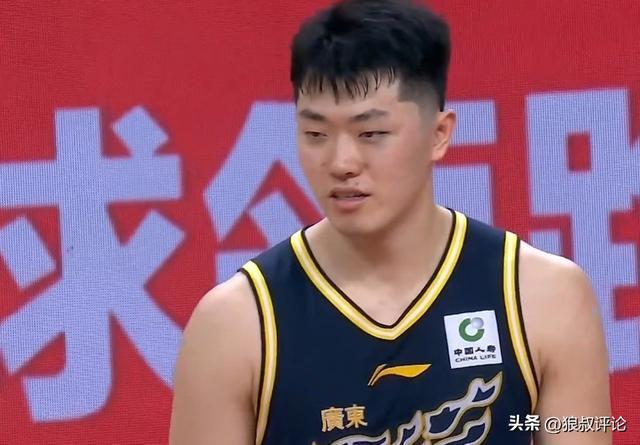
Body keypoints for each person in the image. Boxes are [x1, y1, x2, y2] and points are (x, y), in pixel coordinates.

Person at [169, 0, 612, 443]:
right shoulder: (236, 324)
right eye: (316, 135)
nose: (342, 163)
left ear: (439, 134)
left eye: (372, 134)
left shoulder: (543, 296)